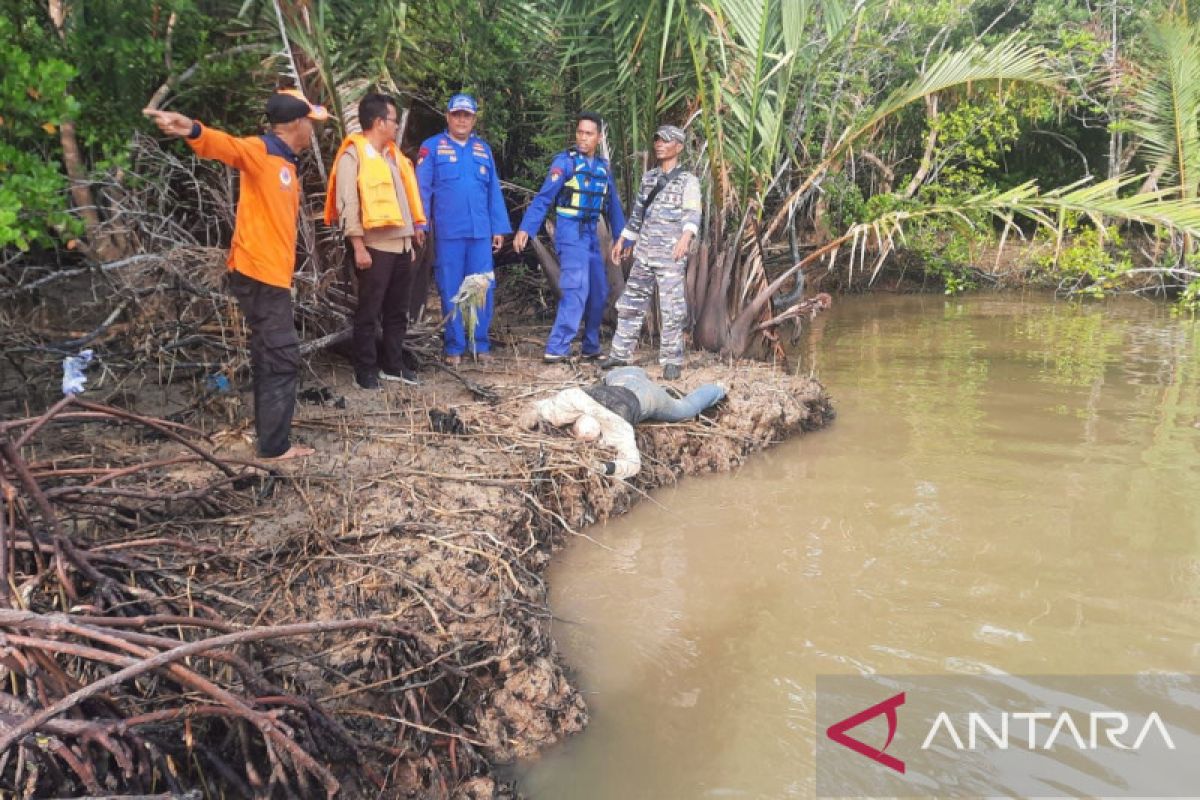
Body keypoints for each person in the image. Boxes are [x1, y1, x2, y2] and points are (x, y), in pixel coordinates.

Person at [143, 88, 328, 461]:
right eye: (310, 121)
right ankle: (275, 448)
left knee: (271, 352)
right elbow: (226, 146)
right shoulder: (263, 151)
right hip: (259, 274)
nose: (313, 129)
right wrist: (192, 129)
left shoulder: (286, 162)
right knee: (281, 355)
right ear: (295, 122)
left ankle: (272, 440)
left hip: (269, 275)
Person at [324, 92, 427, 389]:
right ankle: (365, 369)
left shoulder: (393, 156)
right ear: (379, 122)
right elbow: (348, 204)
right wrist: (357, 245)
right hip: (373, 248)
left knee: (397, 311)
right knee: (369, 311)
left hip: (401, 246)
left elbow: (403, 202)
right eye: (393, 120)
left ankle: (393, 365)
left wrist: (409, 242)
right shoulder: (353, 156)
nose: (396, 127)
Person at [513, 112, 626, 363]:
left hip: (592, 234)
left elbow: (613, 206)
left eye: (589, 134)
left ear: (598, 137)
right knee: (576, 287)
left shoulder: (603, 169)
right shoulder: (565, 163)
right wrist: (526, 228)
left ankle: (591, 347)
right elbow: (544, 198)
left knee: (598, 290)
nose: (583, 138)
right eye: (580, 132)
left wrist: (622, 237)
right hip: (569, 230)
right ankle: (557, 348)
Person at [415, 94, 511, 366]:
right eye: (457, 114)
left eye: (466, 115)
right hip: (448, 234)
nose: (461, 120)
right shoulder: (431, 148)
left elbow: (493, 190)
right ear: (447, 117)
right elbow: (422, 189)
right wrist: (420, 223)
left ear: (474, 119)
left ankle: (480, 344)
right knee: (451, 289)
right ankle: (454, 347)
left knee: (482, 289)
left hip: (480, 233)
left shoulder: (483, 150)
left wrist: (498, 228)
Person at [600, 124, 701, 381]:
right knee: (631, 303)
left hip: (670, 255)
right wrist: (624, 240)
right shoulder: (649, 179)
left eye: (665, 141)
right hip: (644, 252)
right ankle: (620, 354)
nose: (659, 144)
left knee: (672, 308)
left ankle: (671, 360)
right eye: (657, 140)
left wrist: (685, 238)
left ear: (678, 146)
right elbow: (637, 216)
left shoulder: (687, 181)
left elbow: (692, 213)